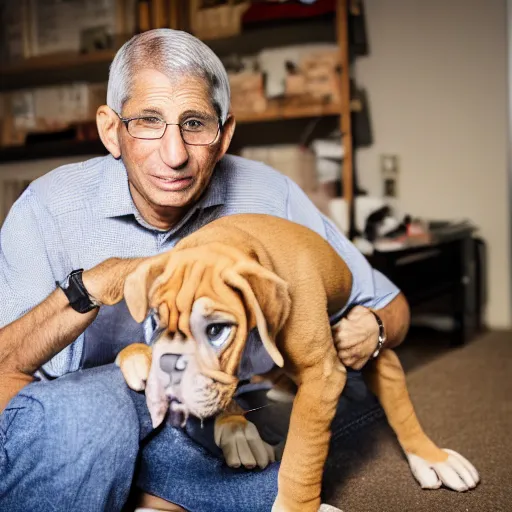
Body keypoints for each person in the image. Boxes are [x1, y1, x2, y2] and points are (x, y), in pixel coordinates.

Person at [0, 29, 410, 512]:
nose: (174, 155)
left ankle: (164, 487)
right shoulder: (49, 206)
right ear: (111, 130)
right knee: (88, 419)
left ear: (224, 134)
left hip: (232, 400)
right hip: (97, 406)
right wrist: (90, 286)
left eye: (194, 124)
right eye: (148, 122)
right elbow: (5, 372)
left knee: (355, 396)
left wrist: (373, 330)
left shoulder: (269, 195)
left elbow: (392, 307)